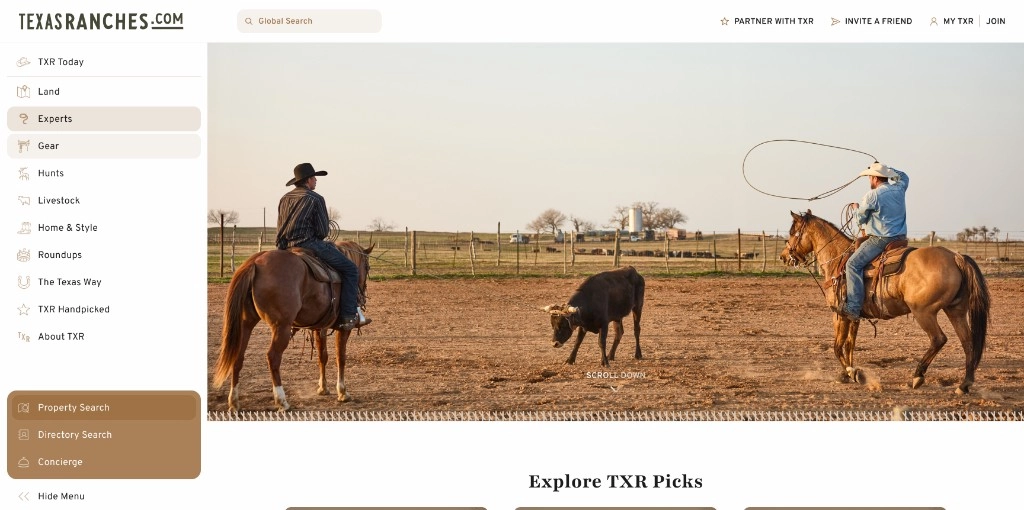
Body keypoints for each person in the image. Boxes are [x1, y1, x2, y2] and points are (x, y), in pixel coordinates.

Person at [276, 163, 371, 330]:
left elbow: (280, 227)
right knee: (350, 269)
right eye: (314, 177)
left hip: (285, 247)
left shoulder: (284, 198)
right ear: (307, 180)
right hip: (309, 244)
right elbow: (321, 232)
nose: (316, 180)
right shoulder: (315, 198)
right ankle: (349, 316)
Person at [841, 162, 910, 321]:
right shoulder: (900, 188)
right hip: (900, 239)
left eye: (870, 177)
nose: (869, 180)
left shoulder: (872, 195)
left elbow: (861, 218)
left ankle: (853, 307)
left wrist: (856, 209)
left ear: (874, 178)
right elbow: (904, 176)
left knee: (852, 264)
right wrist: (887, 168)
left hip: (881, 239)